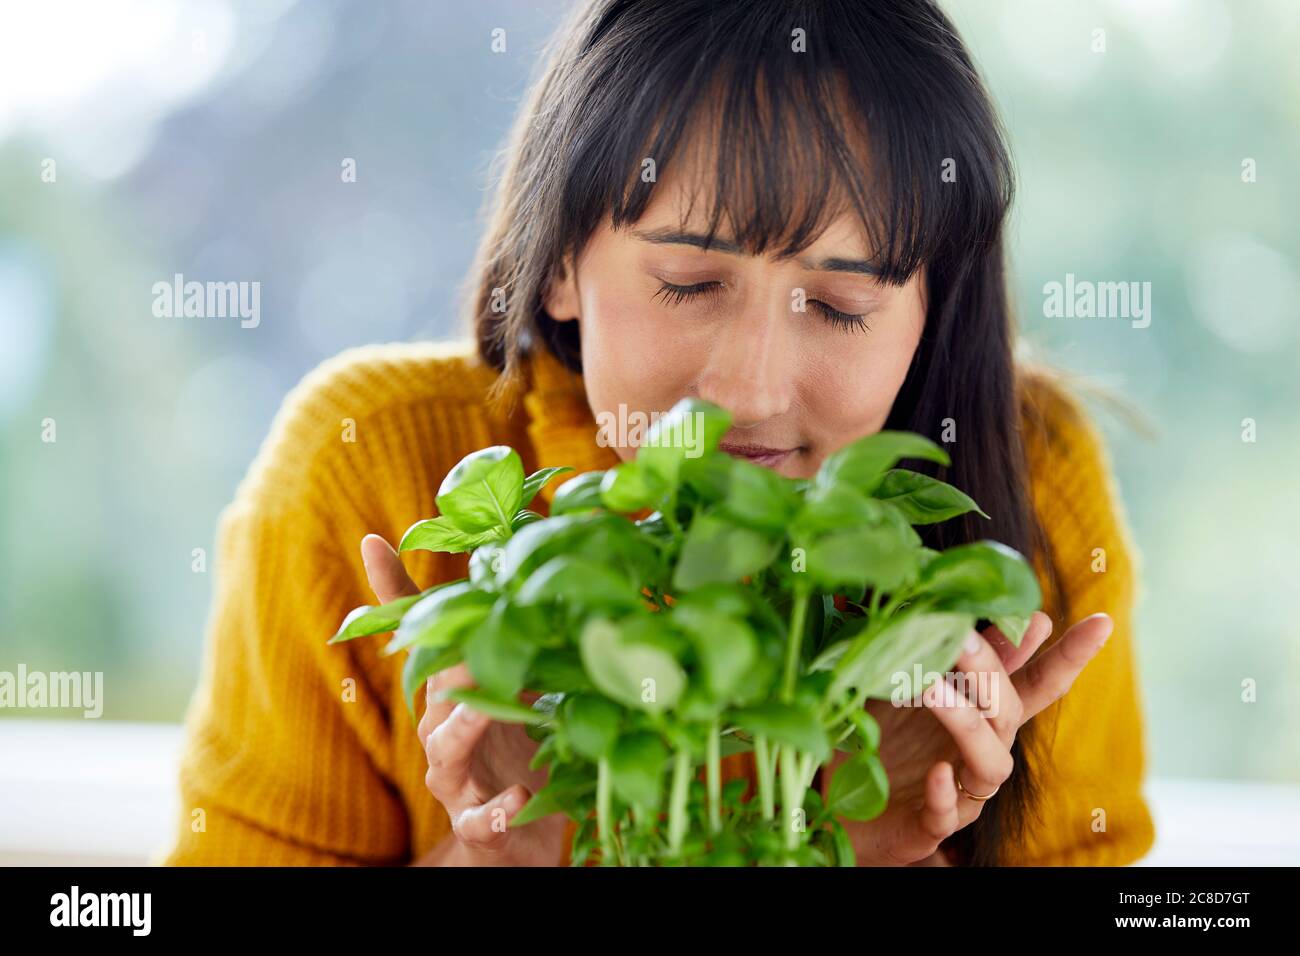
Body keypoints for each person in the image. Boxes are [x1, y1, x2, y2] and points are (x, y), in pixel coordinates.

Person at [158, 0, 1155, 867]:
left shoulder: (1029, 483)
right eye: (688, 283)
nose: (750, 388)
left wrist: (853, 845)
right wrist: (509, 853)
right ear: (556, 263)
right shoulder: (363, 465)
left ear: (933, 307)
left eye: (843, 301)